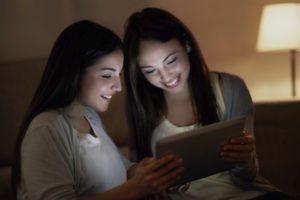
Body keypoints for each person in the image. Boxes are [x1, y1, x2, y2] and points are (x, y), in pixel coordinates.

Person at [123, 8, 295, 200]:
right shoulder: (141, 108)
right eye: (150, 71)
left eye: (171, 61)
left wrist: (243, 160)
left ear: (186, 44)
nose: (165, 76)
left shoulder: (230, 88)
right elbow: (138, 182)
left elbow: (247, 178)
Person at [12, 20, 184, 200]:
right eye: (107, 75)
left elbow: (118, 169)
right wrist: (135, 188)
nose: (118, 87)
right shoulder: (47, 129)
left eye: (119, 75)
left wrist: (150, 174)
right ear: (75, 72)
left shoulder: (89, 116)